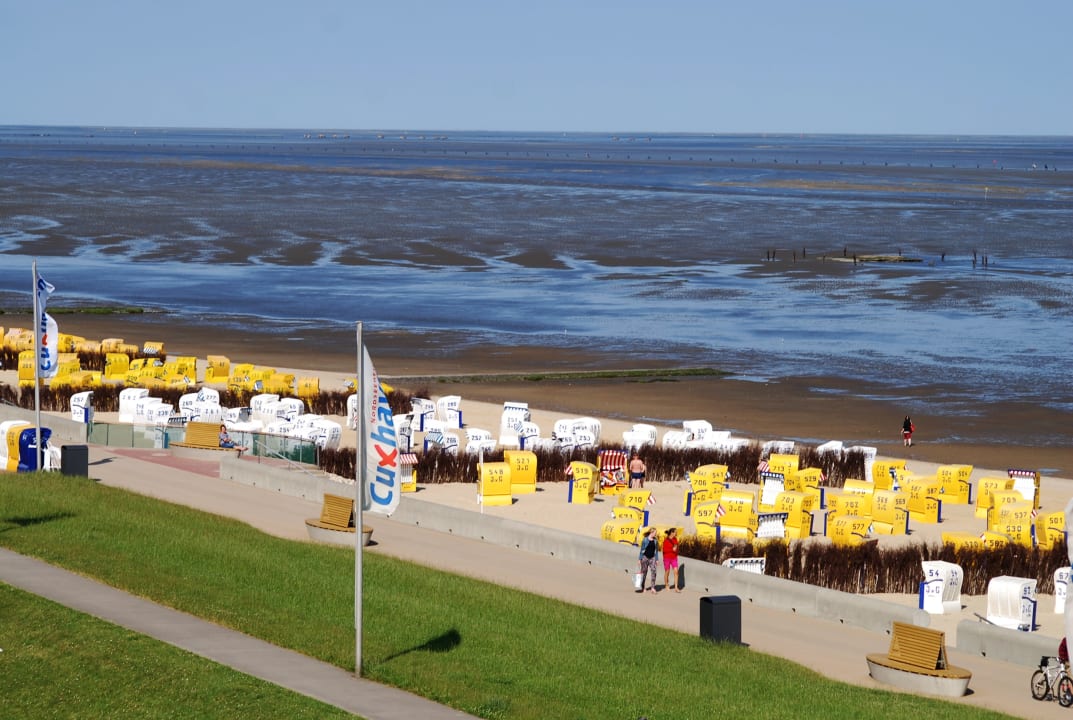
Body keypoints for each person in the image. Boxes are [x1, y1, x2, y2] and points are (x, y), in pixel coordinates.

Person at [638, 527, 659, 594]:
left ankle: (653, 587)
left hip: (652, 558)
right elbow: (642, 550)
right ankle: (643, 586)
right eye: (655, 533)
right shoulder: (645, 540)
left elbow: (656, 551)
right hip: (645, 557)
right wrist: (639, 559)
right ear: (651, 532)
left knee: (654, 571)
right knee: (644, 572)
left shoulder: (655, 541)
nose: (655, 534)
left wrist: (657, 559)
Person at [662, 527, 681, 592]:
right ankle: (666, 584)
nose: (676, 533)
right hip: (667, 558)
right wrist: (672, 550)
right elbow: (664, 550)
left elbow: (677, 548)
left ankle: (676, 587)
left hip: (674, 558)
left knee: (676, 572)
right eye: (675, 532)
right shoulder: (666, 540)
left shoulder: (675, 539)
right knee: (667, 572)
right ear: (672, 533)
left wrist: (676, 551)